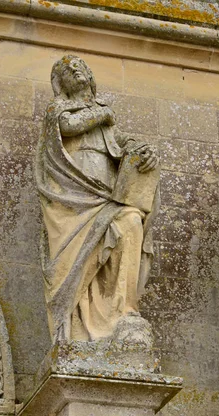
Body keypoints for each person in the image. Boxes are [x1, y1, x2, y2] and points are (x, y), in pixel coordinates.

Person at [35, 55, 160, 342]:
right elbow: (68, 126)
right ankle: (76, 327)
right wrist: (102, 114)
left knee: (131, 222)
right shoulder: (59, 109)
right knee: (73, 260)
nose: (76, 70)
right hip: (73, 201)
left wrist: (145, 152)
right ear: (60, 83)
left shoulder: (106, 120)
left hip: (107, 196)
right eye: (68, 69)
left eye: (81, 66)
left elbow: (122, 143)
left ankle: (123, 311)